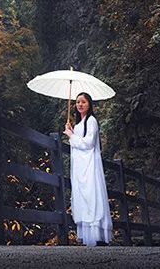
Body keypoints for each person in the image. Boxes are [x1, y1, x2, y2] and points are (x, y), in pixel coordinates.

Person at [64, 92, 112, 246]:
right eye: (77, 102)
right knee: (82, 196)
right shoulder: (79, 125)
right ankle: (87, 236)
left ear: (89, 104)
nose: (79, 105)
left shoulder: (91, 121)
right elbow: (78, 142)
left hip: (89, 164)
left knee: (92, 195)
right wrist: (72, 131)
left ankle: (97, 235)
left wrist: (71, 136)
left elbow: (89, 143)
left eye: (83, 102)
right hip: (80, 166)